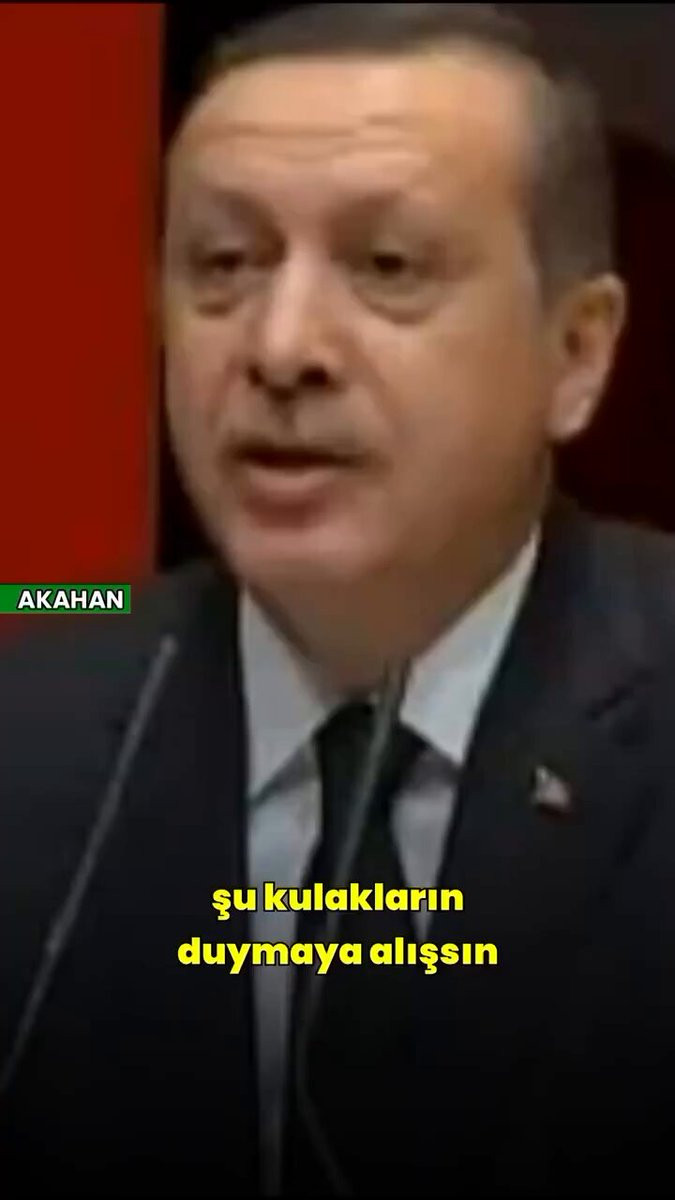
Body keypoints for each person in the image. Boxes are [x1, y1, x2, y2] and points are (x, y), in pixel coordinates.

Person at [2, 3, 675, 1196]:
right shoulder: (29, 733)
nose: (281, 347)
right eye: (224, 265)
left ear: (576, 353)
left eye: (388, 267)